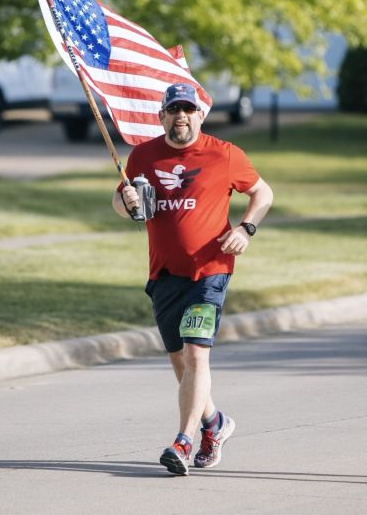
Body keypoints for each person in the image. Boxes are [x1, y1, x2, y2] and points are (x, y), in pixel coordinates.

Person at [112, 82, 273, 476]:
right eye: (174, 109)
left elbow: (263, 192)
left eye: (188, 109)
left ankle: (183, 441)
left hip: (210, 272)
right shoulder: (143, 156)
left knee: (196, 352)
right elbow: (121, 200)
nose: (181, 116)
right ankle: (215, 423)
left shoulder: (224, 155)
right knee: (181, 363)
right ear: (161, 115)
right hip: (164, 274)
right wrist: (125, 202)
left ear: (200, 115)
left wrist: (246, 229)